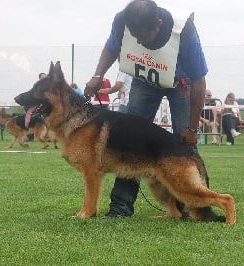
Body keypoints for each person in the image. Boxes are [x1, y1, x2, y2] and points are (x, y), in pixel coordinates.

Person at [84, 0, 208, 218]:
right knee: (128, 141)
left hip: (182, 83)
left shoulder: (184, 30)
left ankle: (196, 208)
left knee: (185, 143)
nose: (139, 40)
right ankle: (120, 208)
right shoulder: (123, 20)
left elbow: (199, 81)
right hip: (144, 80)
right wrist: (97, 76)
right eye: (135, 35)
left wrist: (193, 128)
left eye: (143, 35)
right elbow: (113, 46)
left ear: (158, 24)